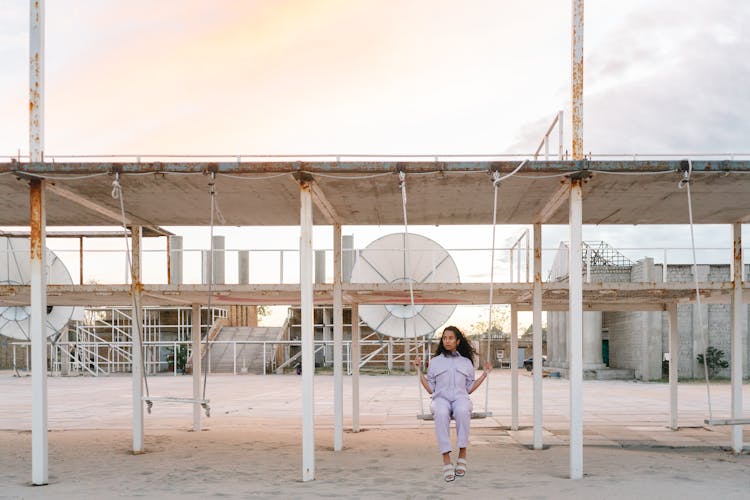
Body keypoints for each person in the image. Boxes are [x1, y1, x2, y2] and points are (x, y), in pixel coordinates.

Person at [414, 325, 492, 482]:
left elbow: (469, 388)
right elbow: (430, 389)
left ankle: (462, 453)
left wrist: (484, 374)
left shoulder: (466, 363)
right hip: (440, 398)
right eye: (444, 338)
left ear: (457, 341)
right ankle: (446, 459)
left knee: (463, 410)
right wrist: (418, 370)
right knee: (441, 412)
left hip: (460, 398)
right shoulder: (435, 362)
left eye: (450, 338)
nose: (446, 341)